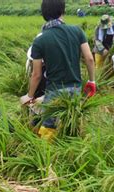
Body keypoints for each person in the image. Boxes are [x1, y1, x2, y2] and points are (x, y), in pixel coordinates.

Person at [20, 0, 96, 141]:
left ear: (43, 14)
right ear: (63, 11)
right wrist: (92, 81)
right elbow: (89, 59)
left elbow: (36, 74)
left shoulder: (40, 41)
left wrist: (29, 96)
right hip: (75, 88)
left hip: (54, 90)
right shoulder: (77, 31)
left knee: (49, 127)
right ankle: (73, 147)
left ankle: (48, 156)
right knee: (71, 121)